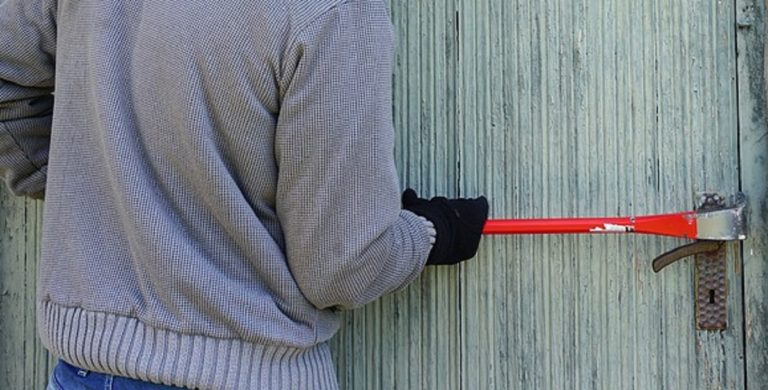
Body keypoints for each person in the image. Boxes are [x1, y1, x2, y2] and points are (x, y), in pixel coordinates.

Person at [0, 0, 488, 388]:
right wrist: (433, 231)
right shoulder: (336, 10)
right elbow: (342, 266)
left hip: (84, 373)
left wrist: (94, 181)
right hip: (246, 369)